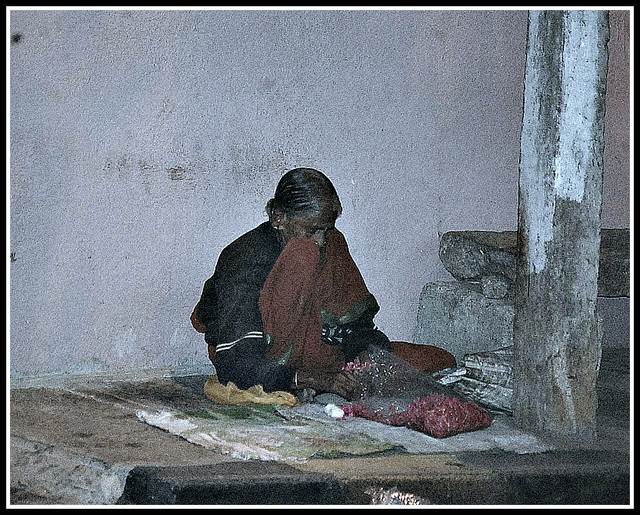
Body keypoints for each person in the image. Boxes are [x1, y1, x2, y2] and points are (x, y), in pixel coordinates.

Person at [191, 167, 391, 401]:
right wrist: (312, 378)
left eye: (327, 229)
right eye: (312, 230)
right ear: (279, 218)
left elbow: (359, 329)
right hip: (255, 362)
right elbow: (237, 364)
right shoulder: (245, 258)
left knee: (431, 362)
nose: (321, 241)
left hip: (319, 355)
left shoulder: (330, 245)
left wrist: (364, 352)